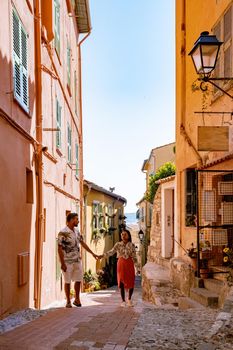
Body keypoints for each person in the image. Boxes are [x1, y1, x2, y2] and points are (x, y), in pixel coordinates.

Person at [58, 212, 98, 308]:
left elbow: (82, 243)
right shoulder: (63, 232)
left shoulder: (76, 231)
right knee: (67, 281)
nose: (78, 221)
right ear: (71, 220)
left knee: (78, 279)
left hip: (77, 260)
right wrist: (62, 263)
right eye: (76, 219)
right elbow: (59, 248)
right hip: (67, 261)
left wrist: (92, 253)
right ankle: (68, 301)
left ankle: (77, 299)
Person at [98, 229, 137, 307]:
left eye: (125, 234)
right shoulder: (118, 244)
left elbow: (134, 256)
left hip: (129, 263)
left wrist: (136, 266)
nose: (123, 236)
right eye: (122, 234)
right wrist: (102, 256)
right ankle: (123, 301)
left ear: (128, 236)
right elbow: (111, 252)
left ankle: (129, 299)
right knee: (121, 281)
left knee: (131, 280)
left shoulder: (132, 245)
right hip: (121, 263)